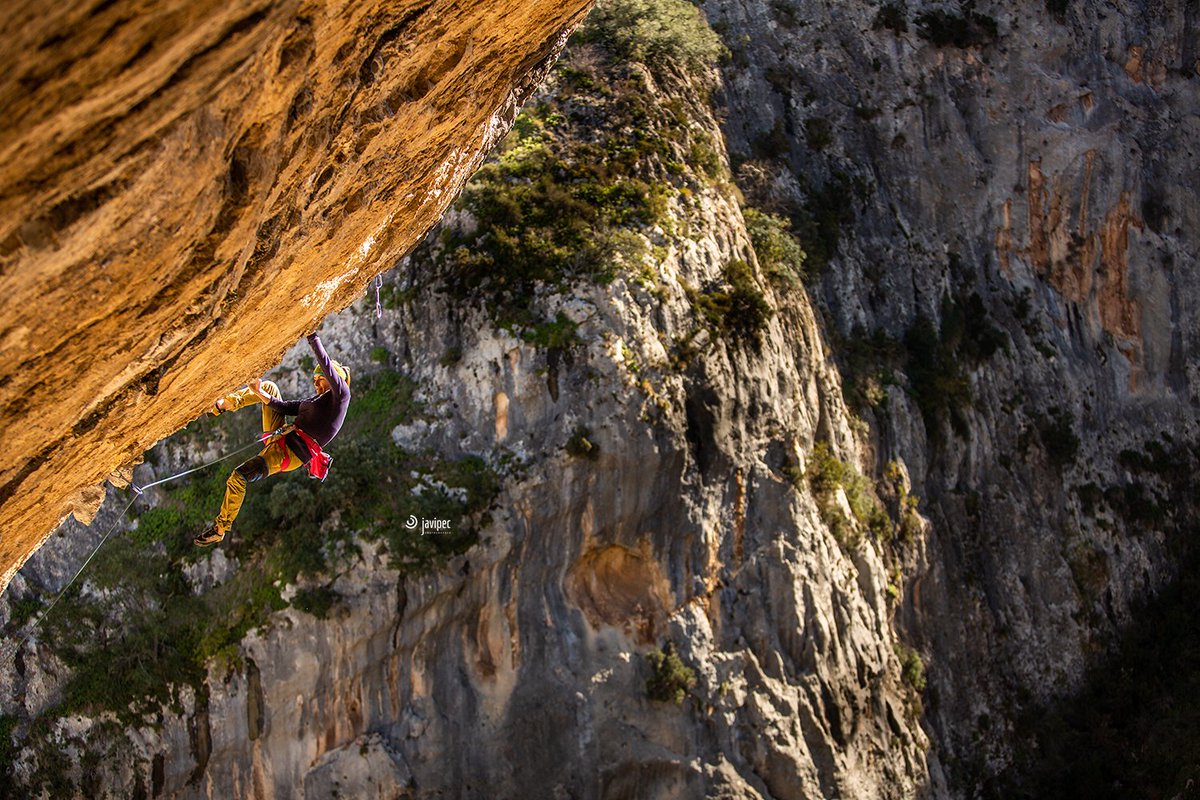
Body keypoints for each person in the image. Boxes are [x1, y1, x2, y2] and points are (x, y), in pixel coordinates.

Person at [195, 333, 352, 546]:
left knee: (239, 476)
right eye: (314, 380)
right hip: (282, 436)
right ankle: (222, 405)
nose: (315, 383)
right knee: (269, 388)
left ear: (333, 378)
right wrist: (258, 393)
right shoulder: (313, 401)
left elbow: (325, 365)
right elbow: (282, 407)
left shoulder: (341, 396)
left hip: (289, 453)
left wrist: (312, 336)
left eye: (319, 379)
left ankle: (220, 528)